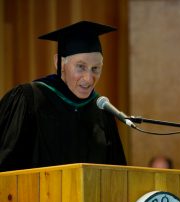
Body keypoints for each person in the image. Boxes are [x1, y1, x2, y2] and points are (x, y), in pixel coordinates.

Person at [0, 21, 126, 172]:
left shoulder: (102, 111)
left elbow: (117, 174)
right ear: (59, 62)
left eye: (96, 69)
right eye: (81, 67)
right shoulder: (28, 100)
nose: (88, 78)